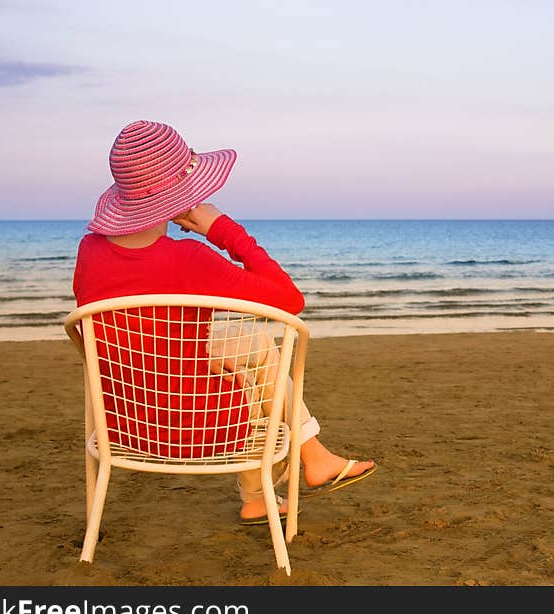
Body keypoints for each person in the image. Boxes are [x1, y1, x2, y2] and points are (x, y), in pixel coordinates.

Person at [72, 119, 376, 525]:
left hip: (124, 424)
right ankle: (290, 470)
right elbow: (290, 300)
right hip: (204, 427)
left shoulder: (89, 250)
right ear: (181, 196)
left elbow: (133, 334)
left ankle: (300, 466)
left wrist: (200, 358)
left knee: (254, 345)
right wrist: (223, 230)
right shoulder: (189, 260)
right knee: (264, 365)